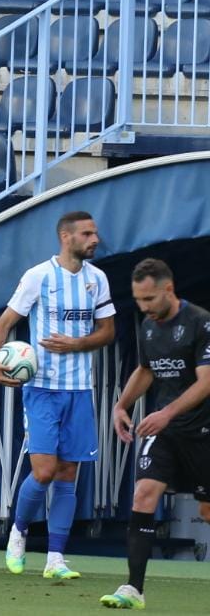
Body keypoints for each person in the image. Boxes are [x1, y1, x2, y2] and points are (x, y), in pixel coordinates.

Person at [0, 210, 115, 580]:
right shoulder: (39, 276)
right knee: (42, 471)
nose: (95, 240)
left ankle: (56, 558)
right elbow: (5, 322)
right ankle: (19, 531)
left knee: (68, 472)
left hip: (79, 390)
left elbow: (108, 331)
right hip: (42, 388)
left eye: (95, 233)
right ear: (65, 237)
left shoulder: (97, 279)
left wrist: (77, 343)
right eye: (87, 234)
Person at [100, 258, 210, 610]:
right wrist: (122, 405)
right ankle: (134, 588)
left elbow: (207, 382)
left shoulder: (201, 322)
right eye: (138, 299)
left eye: (148, 299)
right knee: (143, 495)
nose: (143, 307)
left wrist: (166, 413)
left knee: (207, 511)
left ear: (168, 289)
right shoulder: (148, 326)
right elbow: (145, 370)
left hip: (202, 430)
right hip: (164, 430)